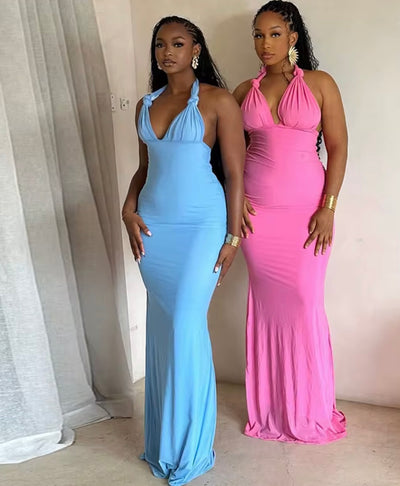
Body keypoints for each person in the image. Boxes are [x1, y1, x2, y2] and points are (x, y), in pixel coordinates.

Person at [121, 16, 244, 485]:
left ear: (196, 49)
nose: (166, 51)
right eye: (160, 44)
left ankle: (191, 447)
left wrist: (233, 237)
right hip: (154, 230)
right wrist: (127, 208)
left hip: (201, 228)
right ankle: (163, 442)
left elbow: (235, 174)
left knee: (186, 328)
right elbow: (145, 168)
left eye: (177, 43)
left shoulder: (217, 100)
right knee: (163, 329)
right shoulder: (145, 104)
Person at [233, 0, 347, 444]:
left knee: (303, 302)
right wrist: (234, 198)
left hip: (307, 213)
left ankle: (309, 409)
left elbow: (338, 146)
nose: (265, 43)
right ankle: (272, 411)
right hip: (258, 217)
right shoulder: (243, 91)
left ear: (293, 37)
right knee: (266, 308)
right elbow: (225, 153)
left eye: (275, 34)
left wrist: (329, 207)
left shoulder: (320, 83)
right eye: (258, 35)